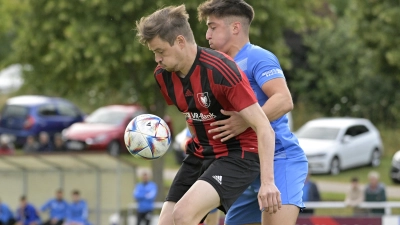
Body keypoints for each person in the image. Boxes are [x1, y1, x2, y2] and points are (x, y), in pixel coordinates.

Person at [135, 4, 279, 225]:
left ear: (180, 42)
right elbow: (194, 112)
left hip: (238, 156)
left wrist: (268, 182)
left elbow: (264, 127)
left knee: (183, 215)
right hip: (200, 154)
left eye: (160, 51)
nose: (157, 59)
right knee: (166, 222)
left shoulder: (221, 70)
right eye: (154, 53)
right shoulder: (163, 76)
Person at [197, 0, 308, 224]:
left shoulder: (258, 57)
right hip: (244, 165)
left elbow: (284, 100)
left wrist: (246, 122)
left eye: (212, 26)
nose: (207, 34)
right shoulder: (217, 68)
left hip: (279, 160)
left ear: (235, 27)